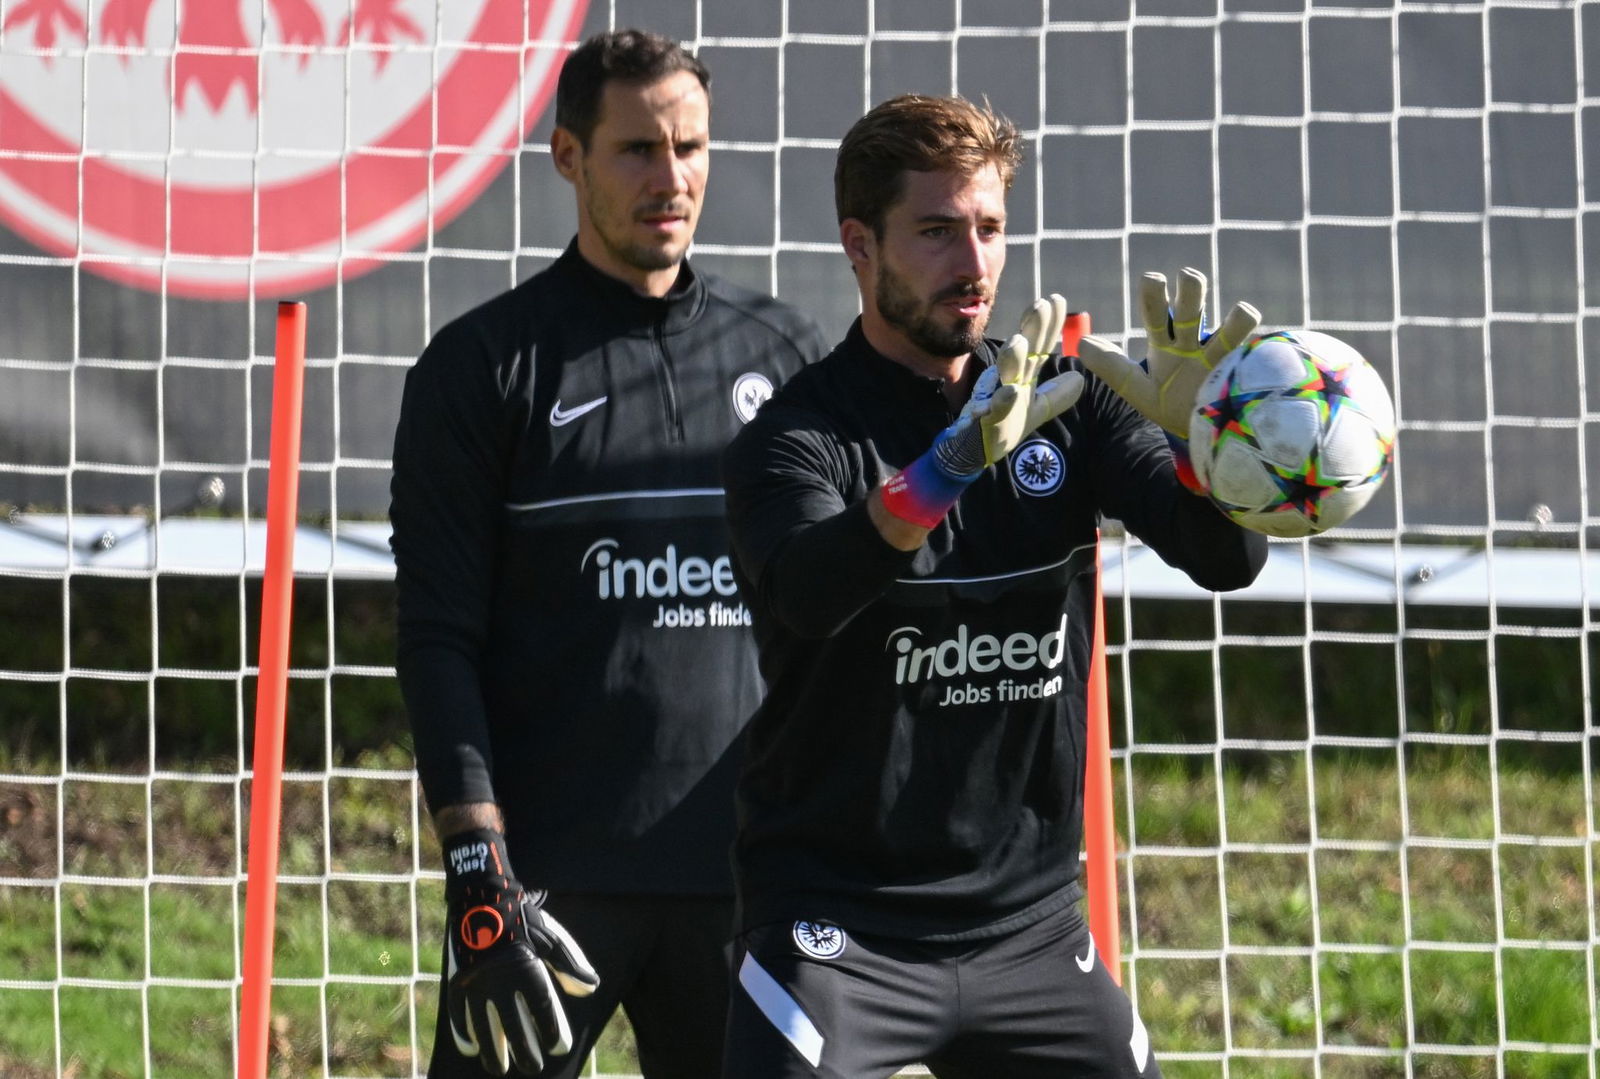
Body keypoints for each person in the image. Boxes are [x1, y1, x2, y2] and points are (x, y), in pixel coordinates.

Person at [719, 93, 1268, 1078]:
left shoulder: (1070, 405)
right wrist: (942, 471)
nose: (972, 265)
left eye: (989, 228)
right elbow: (806, 591)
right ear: (859, 243)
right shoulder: (796, 436)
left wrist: (1206, 448)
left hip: (1028, 925)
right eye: (935, 232)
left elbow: (1225, 560)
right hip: (841, 927)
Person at [389, 28, 828, 1079]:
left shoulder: (788, 354)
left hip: (746, 877)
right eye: (636, 149)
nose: (670, 179)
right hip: (546, 885)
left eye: (690, 147)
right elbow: (437, 638)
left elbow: (836, 614)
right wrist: (476, 864)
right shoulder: (480, 367)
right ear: (568, 157)